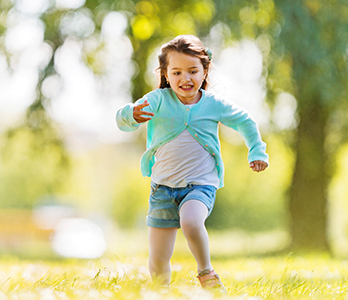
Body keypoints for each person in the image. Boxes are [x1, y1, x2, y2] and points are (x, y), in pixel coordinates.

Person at [115, 35, 268, 292]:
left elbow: (245, 121)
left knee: (191, 221)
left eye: (193, 71)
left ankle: (205, 271)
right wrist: (130, 114)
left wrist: (256, 151)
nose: (185, 79)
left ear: (204, 70)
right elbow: (123, 119)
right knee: (158, 260)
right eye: (176, 72)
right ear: (165, 73)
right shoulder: (159, 99)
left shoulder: (213, 104)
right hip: (162, 189)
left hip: (200, 185)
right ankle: (160, 293)